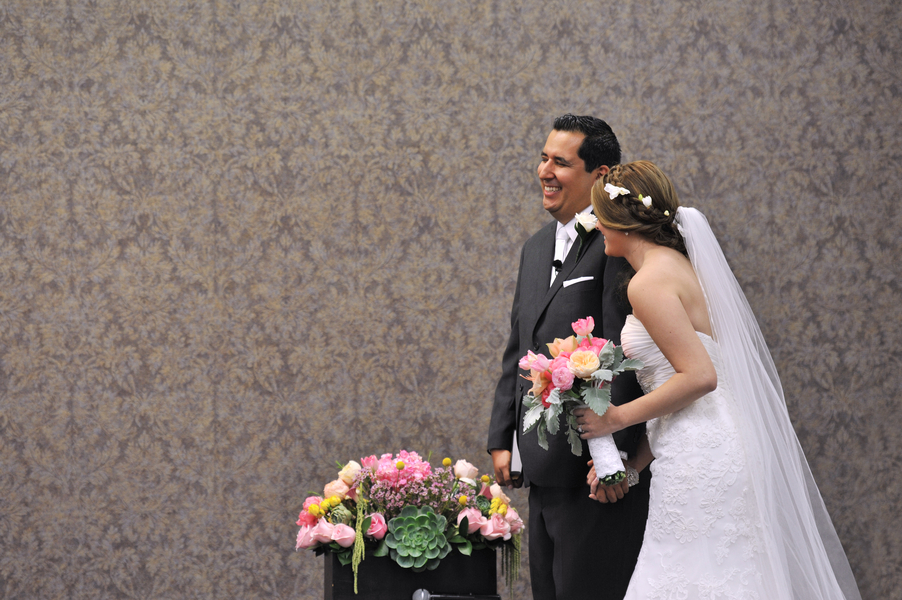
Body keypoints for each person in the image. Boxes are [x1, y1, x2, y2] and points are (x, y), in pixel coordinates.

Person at [578, 160, 861, 599]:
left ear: (622, 221)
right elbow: (684, 394)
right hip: (713, 444)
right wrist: (634, 467)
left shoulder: (647, 283)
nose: (596, 225)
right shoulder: (681, 267)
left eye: (600, 215)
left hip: (700, 457)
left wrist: (614, 418)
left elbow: (700, 378)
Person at [486, 115, 649, 600]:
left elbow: (624, 351)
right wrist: (503, 437)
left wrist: (616, 456)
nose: (545, 171)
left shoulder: (617, 243)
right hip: (540, 466)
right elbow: (520, 346)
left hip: (594, 471)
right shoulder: (535, 247)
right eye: (543, 159)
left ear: (600, 174)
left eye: (560, 162)